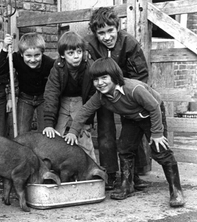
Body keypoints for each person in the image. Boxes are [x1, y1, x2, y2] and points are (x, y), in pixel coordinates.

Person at [65, 58, 185, 207]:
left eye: (104, 78)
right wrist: (72, 131)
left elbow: (154, 107)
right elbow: (84, 111)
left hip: (152, 114)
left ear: (115, 76)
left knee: (159, 149)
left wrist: (157, 134)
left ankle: (176, 190)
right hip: (132, 118)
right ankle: (127, 185)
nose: (100, 83)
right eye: (95, 80)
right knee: (124, 148)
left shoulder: (134, 89)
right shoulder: (100, 96)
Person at [85, 7, 149, 190]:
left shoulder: (130, 43)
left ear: (117, 27)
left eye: (110, 31)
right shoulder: (89, 45)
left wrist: (129, 95)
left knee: (131, 130)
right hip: (103, 93)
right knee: (105, 132)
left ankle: (133, 174)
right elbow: (88, 75)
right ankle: (110, 174)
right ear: (95, 34)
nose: (106, 37)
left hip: (126, 92)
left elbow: (141, 74)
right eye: (101, 33)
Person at [42, 31, 97, 162]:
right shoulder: (58, 67)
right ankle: (56, 167)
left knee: (83, 134)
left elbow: (92, 96)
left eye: (79, 52)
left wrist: (88, 119)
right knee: (56, 134)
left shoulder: (90, 67)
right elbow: (51, 93)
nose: (76, 56)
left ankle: (92, 169)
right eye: (70, 53)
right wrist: (49, 123)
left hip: (82, 102)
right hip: (64, 101)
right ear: (62, 55)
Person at [0, 32, 55, 135]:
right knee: (21, 132)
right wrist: (4, 49)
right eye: (28, 56)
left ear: (42, 53)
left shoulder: (49, 63)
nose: (33, 59)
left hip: (43, 99)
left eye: (37, 55)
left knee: (45, 132)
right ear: (22, 54)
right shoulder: (16, 59)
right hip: (25, 98)